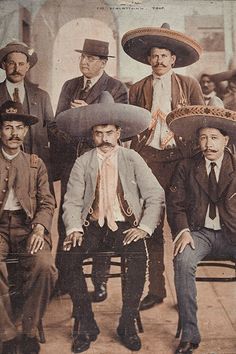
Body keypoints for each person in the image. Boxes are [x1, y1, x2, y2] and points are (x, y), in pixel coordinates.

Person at [56, 91, 165, 353]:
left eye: (109, 132)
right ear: (92, 136)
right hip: (92, 226)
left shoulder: (132, 158)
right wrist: (73, 228)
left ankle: (126, 323)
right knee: (67, 258)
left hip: (125, 225)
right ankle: (87, 322)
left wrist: (144, 227)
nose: (104, 139)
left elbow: (155, 194)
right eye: (98, 133)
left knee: (138, 258)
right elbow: (71, 200)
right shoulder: (83, 162)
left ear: (119, 133)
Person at [121, 23, 204, 311]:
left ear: (174, 59)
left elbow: (198, 123)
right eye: (154, 55)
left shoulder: (189, 85)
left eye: (164, 56)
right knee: (152, 224)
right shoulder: (137, 88)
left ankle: (184, 292)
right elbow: (130, 128)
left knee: (183, 225)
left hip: (180, 160)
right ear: (148, 59)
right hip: (150, 160)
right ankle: (156, 289)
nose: (159, 61)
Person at [54, 39, 128, 299]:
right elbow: (57, 124)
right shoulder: (69, 86)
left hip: (102, 164)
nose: (84, 62)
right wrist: (71, 124)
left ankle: (100, 280)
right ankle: (64, 278)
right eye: (82, 57)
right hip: (71, 164)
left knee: (100, 218)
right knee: (68, 217)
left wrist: (89, 116)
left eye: (91, 58)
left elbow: (117, 129)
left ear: (103, 63)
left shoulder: (117, 88)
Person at [166, 104, 236, 354]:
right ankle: (190, 333)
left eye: (214, 138)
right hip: (200, 233)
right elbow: (175, 205)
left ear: (226, 139)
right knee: (183, 260)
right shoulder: (186, 166)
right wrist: (183, 231)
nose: (208, 144)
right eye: (203, 138)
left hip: (233, 235)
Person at [0, 101, 57, 354]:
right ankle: (7, 333)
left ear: (25, 132)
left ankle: (29, 331)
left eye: (19, 128)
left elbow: (47, 202)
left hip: (28, 228)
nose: (14, 133)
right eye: (8, 127)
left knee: (45, 266)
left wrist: (39, 229)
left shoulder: (36, 164)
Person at [0, 41, 55, 193]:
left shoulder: (42, 96)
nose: (16, 69)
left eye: (21, 64)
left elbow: (53, 131)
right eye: (11, 63)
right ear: (4, 65)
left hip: (35, 171)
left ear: (27, 66)